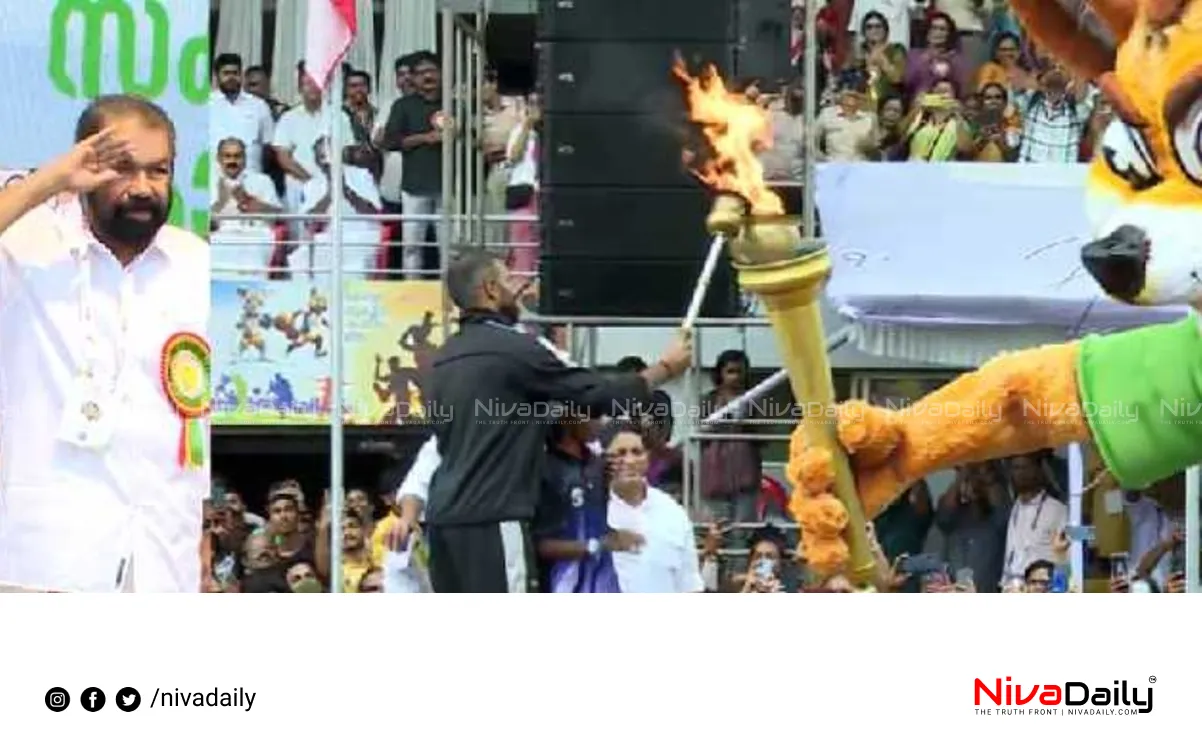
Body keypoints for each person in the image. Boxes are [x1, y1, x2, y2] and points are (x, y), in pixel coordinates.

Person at [0, 95, 210, 592]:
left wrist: (199, 533)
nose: (143, 188)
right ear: (84, 165)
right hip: (47, 558)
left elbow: (193, 422)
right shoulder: (26, 248)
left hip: (162, 554)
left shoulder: (195, 262)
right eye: (123, 169)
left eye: (158, 171)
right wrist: (50, 182)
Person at [419, 250, 692, 592]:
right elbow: (593, 394)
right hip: (492, 519)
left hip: (443, 522)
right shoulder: (514, 350)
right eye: (507, 280)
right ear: (490, 289)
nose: (516, 288)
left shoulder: (443, 359)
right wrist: (665, 368)